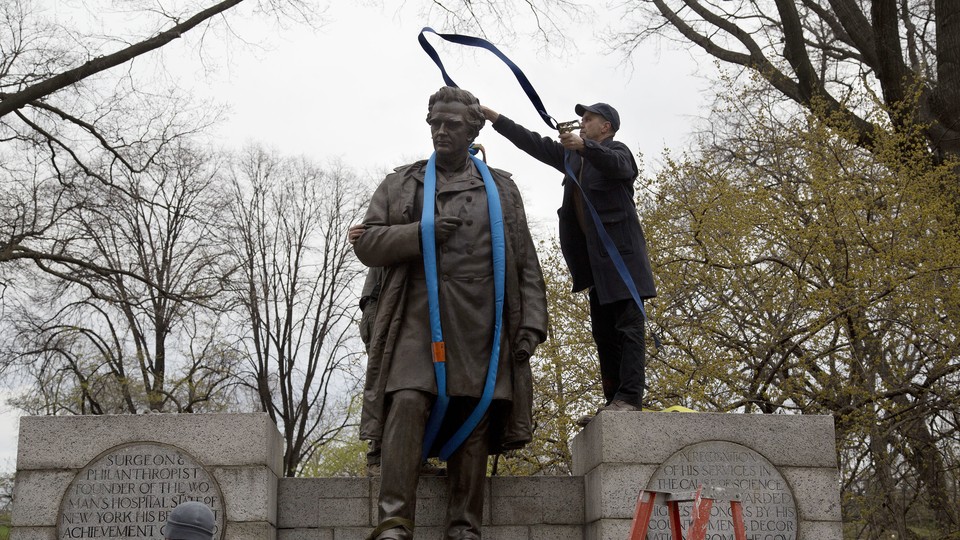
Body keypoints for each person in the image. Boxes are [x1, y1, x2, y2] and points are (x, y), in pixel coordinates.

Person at [353, 86, 548, 540]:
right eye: (434, 123)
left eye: (452, 125)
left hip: (484, 320)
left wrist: (533, 323)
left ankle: (464, 525)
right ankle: (394, 522)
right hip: (417, 315)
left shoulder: (501, 188)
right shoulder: (401, 183)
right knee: (406, 401)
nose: (441, 131)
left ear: (473, 129)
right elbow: (368, 243)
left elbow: (525, 261)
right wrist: (422, 233)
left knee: (473, 415)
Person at [481, 102, 656, 425]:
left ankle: (630, 399)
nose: (581, 123)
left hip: (624, 264)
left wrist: (585, 147)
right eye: (581, 120)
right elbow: (532, 141)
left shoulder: (617, 150)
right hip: (597, 270)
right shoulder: (573, 158)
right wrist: (494, 118)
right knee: (604, 336)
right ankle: (613, 404)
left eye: (588, 120)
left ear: (606, 127)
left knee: (628, 330)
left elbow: (619, 167)